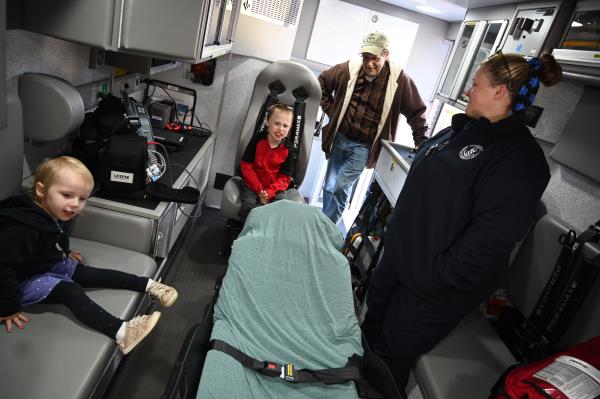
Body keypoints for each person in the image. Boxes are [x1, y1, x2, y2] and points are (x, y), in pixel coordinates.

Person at [361, 51, 562, 392]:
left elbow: (488, 243)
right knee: (368, 335)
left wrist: (433, 279)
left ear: (500, 92)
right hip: (399, 263)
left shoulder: (521, 159)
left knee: (388, 358)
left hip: (429, 289)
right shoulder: (460, 131)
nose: (468, 91)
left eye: (476, 84)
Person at [0, 156, 178, 355]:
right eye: (66, 195)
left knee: (88, 273)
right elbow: (3, 268)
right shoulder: (21, 228)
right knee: (70, 291)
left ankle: (148, 285)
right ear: (41, 190)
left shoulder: (55, 211)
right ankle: (122, 332)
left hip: (43, 262)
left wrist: (63, 252)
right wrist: (8, 307)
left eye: (82, 198)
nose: (75, 204)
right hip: (20, 280)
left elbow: (53, 235)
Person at [318, 31, 429, 224]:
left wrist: (422, 143)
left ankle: (327, 231)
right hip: (340, 138)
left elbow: (417, 112)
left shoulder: (399, 81)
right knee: (329, 186)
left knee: (340, 187)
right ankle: (324, 225)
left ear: (386, 54)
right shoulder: (348, 70)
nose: (369, 64)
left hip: (363, 146)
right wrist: (331, 110)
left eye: (375, 58)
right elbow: (321, 83)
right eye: (366, 58)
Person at [239, 103, 294, 220]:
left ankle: (269, 236)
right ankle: (248, 233)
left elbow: (285, 178)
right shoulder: (257, 140)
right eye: (277, 123)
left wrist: (269, 192)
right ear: (268, 122)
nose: (281, 128)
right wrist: (260, 190)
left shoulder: (288, 149)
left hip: (274, 188)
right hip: (253, 185)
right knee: (248, 205)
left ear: (289, 128)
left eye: (285, 126)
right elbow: (246, 166)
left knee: (279, 209)